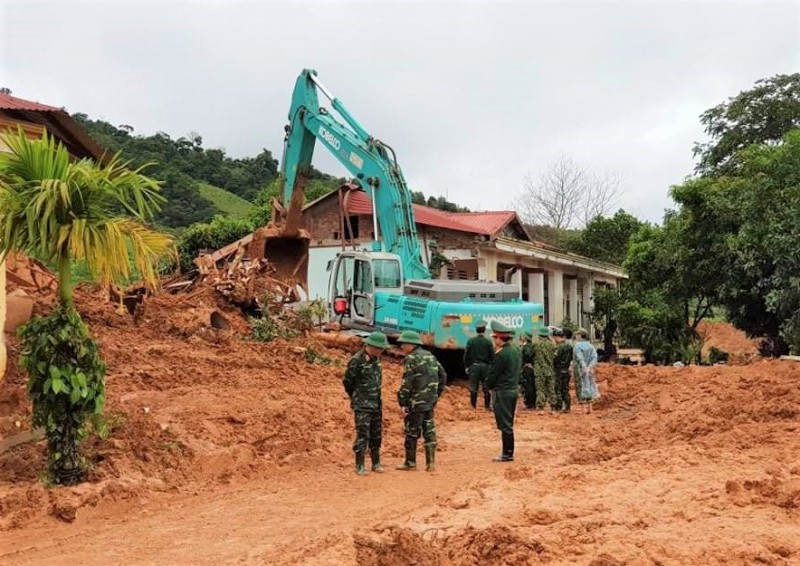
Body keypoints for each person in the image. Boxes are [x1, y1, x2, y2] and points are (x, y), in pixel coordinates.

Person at [396, 330, 447, 472]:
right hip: (429, 402)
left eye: (403, 344)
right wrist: (436, 394)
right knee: (429, 431)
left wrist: (403, 403)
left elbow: (407, 383)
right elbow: (443, 376)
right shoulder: (430, 356)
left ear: (410, 344)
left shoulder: (411, 359)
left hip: (415, 403)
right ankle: (430, 464)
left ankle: (410, 462)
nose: (401, 347)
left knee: (412, 432)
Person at [342, 331, 390, 475]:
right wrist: (357, 396)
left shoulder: (376, 360)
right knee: (363, 434)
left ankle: (376, 463)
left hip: (376, 404)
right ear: (371, 346)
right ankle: (360, 465)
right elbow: (348, 382)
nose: (382, 351)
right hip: (362, 405)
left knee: (376, 435)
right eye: (380, 348)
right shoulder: (357, 360)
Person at [486, 321, 521, 462]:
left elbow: (493, 375)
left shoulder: (501, 354)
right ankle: (507, 452)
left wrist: (489, 386)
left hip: (503, 392)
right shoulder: (514, 351)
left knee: (505, 424)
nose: (494, 341)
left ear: (499, 338)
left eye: (495, 338)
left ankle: (507, 453)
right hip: (512, 390)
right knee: (508, 422)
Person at [464, 319, 494, 411]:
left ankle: (473, 407)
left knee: (473, 387)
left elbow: (466, 355)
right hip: (485, 367)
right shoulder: (488, 342)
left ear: (476, 330)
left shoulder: (471, 341)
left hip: (474, 367)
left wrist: (467, 366)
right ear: (484, 330)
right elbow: (492, 355)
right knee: (486, 387)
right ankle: (487, 407)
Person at [573, 328, 600, 414]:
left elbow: (579, 357)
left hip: (580, 369)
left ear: (580, 336)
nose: (576, 336)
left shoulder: (577, 345)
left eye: (577, 335)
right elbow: (594, 357)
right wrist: (590, 367)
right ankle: (590, 408)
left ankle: (583, 409)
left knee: (580, 386)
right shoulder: (591, 346)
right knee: (590, 385)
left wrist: (584, 366)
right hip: (590, 370)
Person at [532, 327, 556, 413]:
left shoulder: (536, 344)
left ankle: (541, 407)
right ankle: (553, 407)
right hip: (550, 369)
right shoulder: (552, 345)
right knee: (551, 389)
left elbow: (532, 355)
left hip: (539, 370)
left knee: (540, 389)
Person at [553, 329, 574, 413]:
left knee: (558, 388)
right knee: (565, 389)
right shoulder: (569, 346)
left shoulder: (559, 347)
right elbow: (571, 358)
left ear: (557, 337)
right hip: (566, 369)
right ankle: (568, 406)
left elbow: (556, 358)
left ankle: (559, 406)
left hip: (559, 370)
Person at [520, 330, 536, 410]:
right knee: (532, 385)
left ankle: (529, 404)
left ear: (526, 338)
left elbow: (527, 355)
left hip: (527, 368)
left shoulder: (526, 347)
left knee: (528, 386)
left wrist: (525, 362)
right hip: (532, 367)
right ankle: (533, 403)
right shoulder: (532, 346)